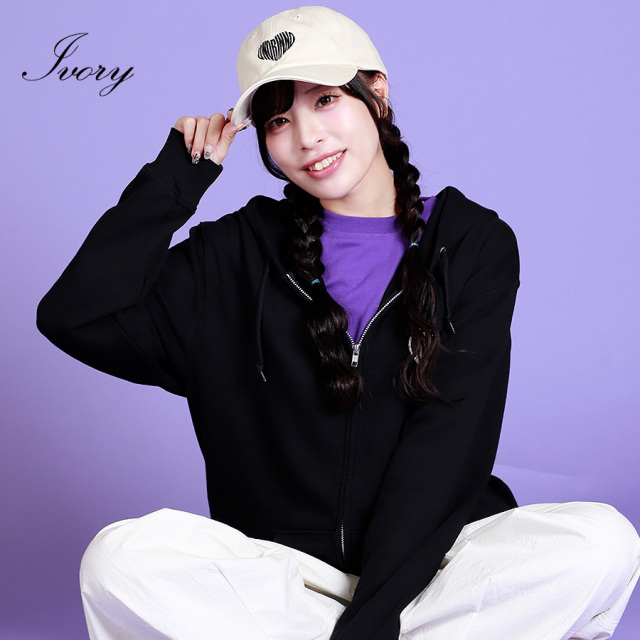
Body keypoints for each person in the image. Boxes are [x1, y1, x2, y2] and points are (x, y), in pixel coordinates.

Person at [36, 6, 640, 640]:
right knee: (118, 560)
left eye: (325, 100)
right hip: (286, 580)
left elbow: (447, 446)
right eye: (278, 120)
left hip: (436, 568)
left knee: (600, 541)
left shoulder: (470, 243)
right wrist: (174, 183)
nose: (307, 137)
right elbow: (74, 316)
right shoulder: (232, 255)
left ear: (376, 93)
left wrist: (370, 622)